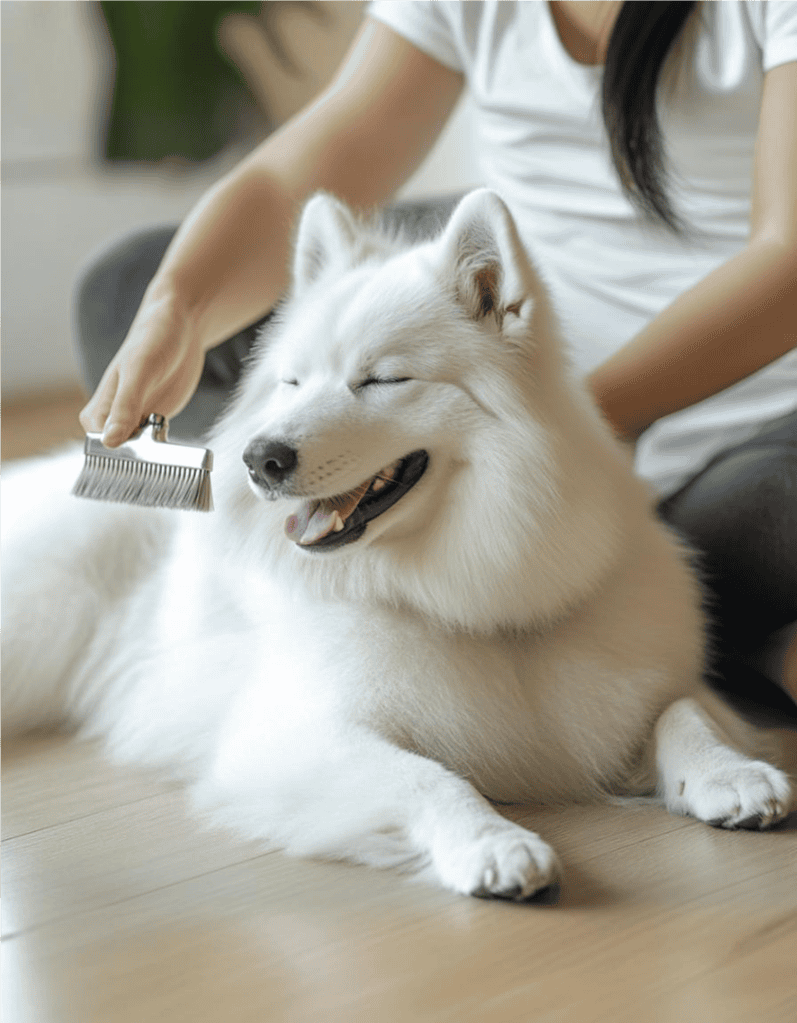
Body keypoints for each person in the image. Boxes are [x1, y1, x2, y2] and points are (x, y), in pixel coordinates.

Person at [77, 1, 797, 714]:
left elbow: (787, 260)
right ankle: (275, 558)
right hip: (492, 353)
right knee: (123, 293)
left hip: (739, 413)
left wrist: (570, 426)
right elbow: (303, 167)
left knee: (771, 525)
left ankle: (641, 611)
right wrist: (177, 308)